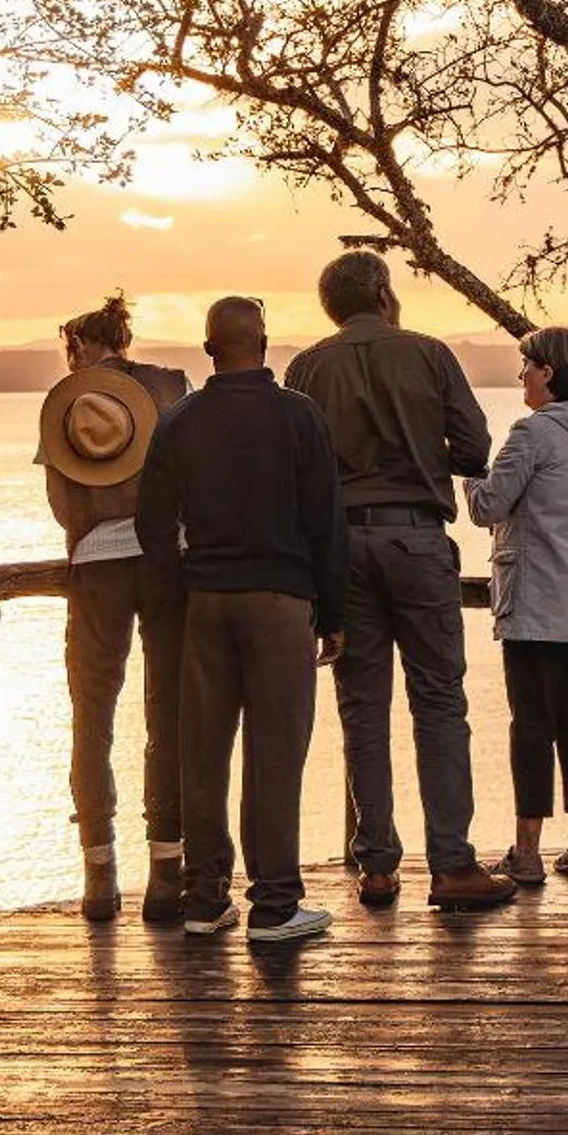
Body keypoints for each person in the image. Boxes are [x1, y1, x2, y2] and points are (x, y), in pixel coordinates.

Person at [283, 251, 517, 913]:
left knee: (361, 708)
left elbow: (298, 467)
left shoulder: (306, 367)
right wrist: (419, 450)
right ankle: (450, 865)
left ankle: (378, 866)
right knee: (439, 702)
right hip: (414, 537)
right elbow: (473, 450)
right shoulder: (430, 354)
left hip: (337, 546)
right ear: (384, 293)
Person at [137, 294, 347, 944]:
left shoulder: (180, 422)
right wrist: (333, 612)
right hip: (280, 605)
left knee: (201, 755)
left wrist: (177, 603)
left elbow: (151, 527)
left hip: (205, 605)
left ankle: (204, 900)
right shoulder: (299, 418)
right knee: (274, 756)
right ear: (264, 342)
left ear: (208, 350)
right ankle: (275, 906)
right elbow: (325, 522)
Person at [34, 294, 191, 924]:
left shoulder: (71, 407)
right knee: (167, 712)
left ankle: (98, 876)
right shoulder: (169, 388)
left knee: (91, 714)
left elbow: (62, 500)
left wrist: (85, 540)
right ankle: (166, 873)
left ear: (80, 347)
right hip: (166, 557)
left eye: (69, 351)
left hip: (97, 565)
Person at [468, 325, 568, 886]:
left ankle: (528, 851)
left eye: (527, 367)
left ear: (549, 374)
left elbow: (488, 506)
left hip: (538, 603)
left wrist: (468, 468)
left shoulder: (530, 435)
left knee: (532, 726)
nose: (520, 376)